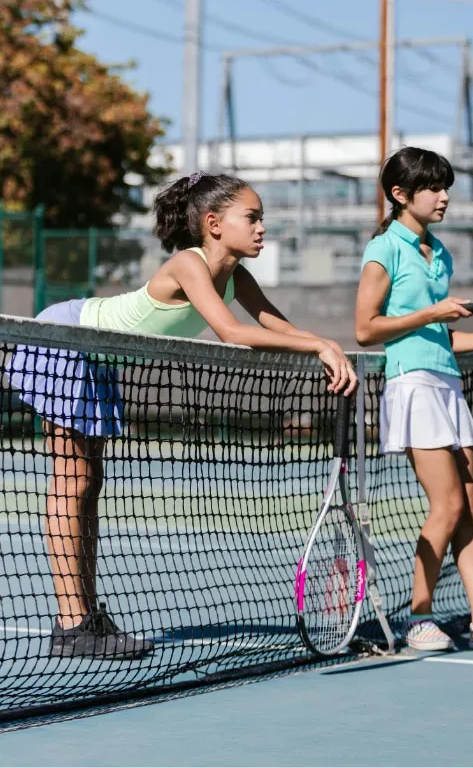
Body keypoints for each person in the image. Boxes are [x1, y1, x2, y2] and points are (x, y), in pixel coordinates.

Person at [9, 171, 358, 661]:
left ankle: (82, 617)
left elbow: (272, 320)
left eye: (262, 219)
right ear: (214, 223)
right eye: (252, 218)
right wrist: (321, 344)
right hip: (67, 342)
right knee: (73, 480)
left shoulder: (235, 275)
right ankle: (73, 622)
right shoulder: (189, 263)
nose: (262, 229)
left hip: (100, 358)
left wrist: (324, 347)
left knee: (91, 481)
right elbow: (232, 331)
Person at [355, 147, 473, 654]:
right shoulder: (384, 251)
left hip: (446, 382)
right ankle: (419, 618)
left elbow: (436, 334)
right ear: (400, 195)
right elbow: (366, 329)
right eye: (434, 188)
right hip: (411, 386)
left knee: (469, 508)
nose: (444, 197)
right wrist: (432, 312)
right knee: (448, 504)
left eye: (446, 187)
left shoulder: (440, 254)